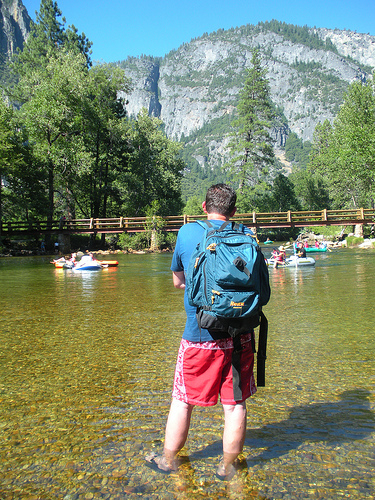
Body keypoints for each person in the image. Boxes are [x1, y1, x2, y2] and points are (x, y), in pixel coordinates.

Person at [145, 184, 256, 479]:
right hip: (241, 334)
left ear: (204, 207)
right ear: (233, 211)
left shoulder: (187, 232)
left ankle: (169, 460)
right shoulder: (246, 234)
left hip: (199, 335)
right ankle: (228, 466)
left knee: (183, 400)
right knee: (235, 405)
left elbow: (178, 282)